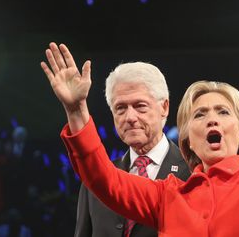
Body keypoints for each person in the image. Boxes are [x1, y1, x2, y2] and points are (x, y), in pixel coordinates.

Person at [41, 6, 239, 236]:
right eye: (200, 114)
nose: (211, 119)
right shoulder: (167, 196)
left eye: (222, 112)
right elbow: (102, 179)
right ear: (187, 138)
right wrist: (77, 109)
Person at [41, 53, 190, 236]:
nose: (130, 118)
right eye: (120, 108)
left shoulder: (194, 174)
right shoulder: (94, 180)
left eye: (140, 106)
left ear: (164, 107)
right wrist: (75, 110)